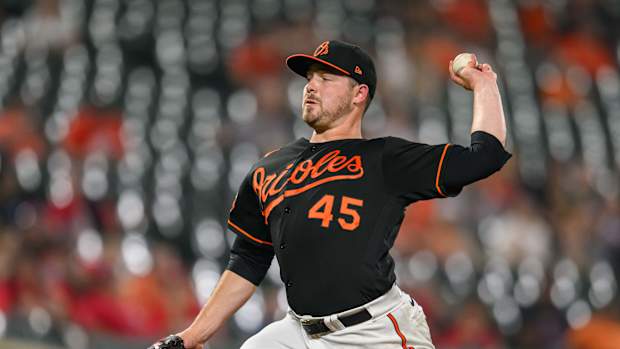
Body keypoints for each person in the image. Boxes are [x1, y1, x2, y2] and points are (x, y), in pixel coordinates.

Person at [148, 40, 511, 349]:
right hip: (298, 332)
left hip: (375, 331)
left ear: (359, 93)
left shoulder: (384, 159)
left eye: (326, 77)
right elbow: (248, 261)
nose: (311, 86)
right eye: (309, 78)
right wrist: (190, 337)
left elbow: (485, 156)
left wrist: (484, 86)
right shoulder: (269, 169)